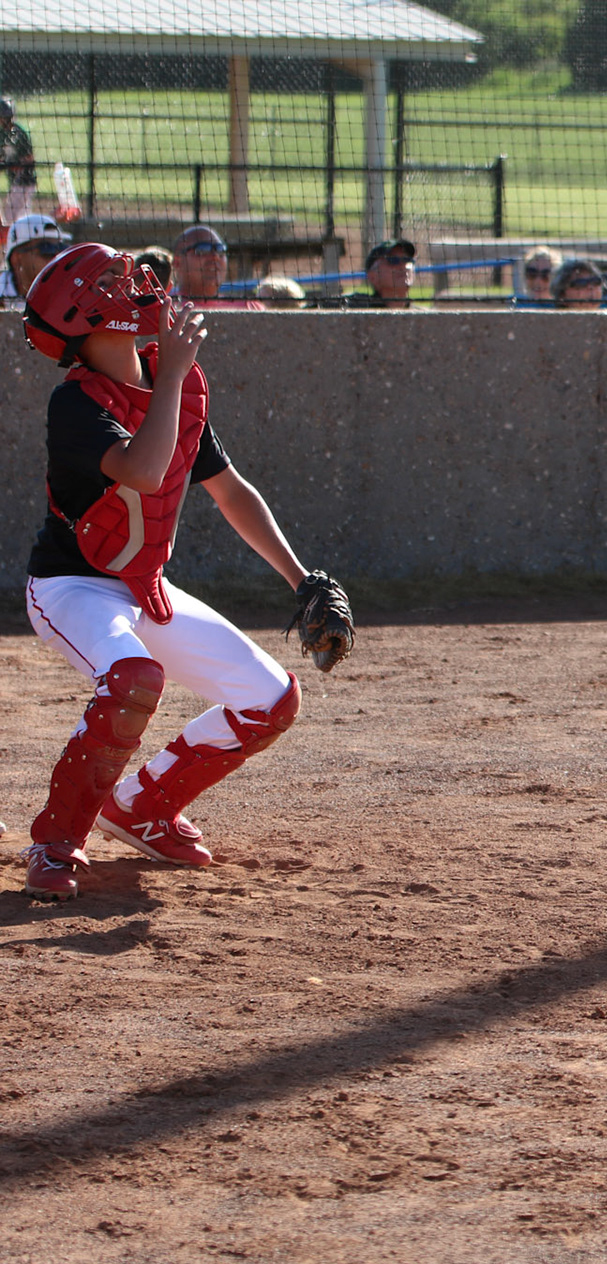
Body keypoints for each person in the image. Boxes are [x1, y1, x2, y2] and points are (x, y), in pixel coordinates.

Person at [15, 243, 353, 901]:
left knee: (270, 698)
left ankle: (140, 807)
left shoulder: (176, 385)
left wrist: (301, 578)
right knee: (133, 678)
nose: (138, 284)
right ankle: (56, 842)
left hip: (146, 587)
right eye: (114, 280)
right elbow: (141, 469)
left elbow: (231, 492)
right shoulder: (76, 404)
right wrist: (170, 374)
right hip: (71, 586)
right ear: (88, 316)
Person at [172, 226, 263, 310]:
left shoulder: (249, 307)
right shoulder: (166, 309)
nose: (215, 256)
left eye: (220, 249)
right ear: (177, 263)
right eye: (203, 249)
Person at [1, 214, 69, 311]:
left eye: (61, 249)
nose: (56, 259)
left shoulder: (70, 295)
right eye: (47, 249)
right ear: (16, 258)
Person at [350, 238, 416, 308]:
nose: (403, 266)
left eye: (407, 259)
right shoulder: (356, 311)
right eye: (393, 260)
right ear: (372, 277)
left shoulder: (422, 315)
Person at [2, 97, 36, 226]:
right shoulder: (3, 134)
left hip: (24, 181)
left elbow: (29, 158)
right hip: (15, 182)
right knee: (17, 216)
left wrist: (15, 164)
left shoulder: (18, 133)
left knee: (13, 217)